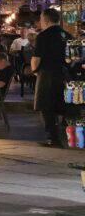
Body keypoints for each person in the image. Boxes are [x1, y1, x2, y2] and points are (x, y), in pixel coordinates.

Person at [33, 8, 67, 147]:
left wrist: (36, 71)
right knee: (62, 105)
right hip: (64, 74)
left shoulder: (43, 36)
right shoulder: (67, 35)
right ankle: (65, 135)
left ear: (45, 20)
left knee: (46, 106)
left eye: (41, 19)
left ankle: (53, 138)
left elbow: (36, 58)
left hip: (47, 74)